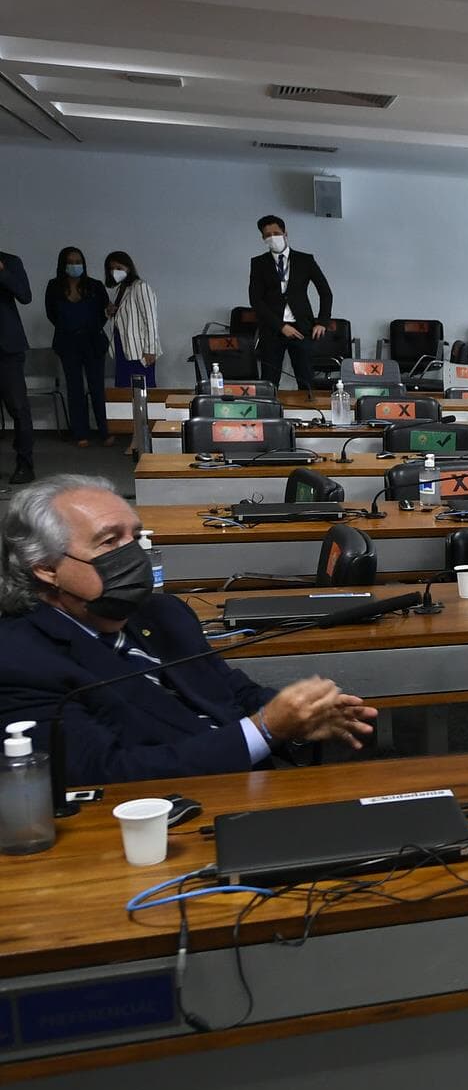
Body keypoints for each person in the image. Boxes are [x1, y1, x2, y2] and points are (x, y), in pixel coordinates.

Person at [0, 475, 376, 784]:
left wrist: (303, 716)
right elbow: (106, 773)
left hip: (255, 788)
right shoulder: (19, 661)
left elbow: (230, 691)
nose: (134, 554)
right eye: (110, 541)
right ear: (45, 567)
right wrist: (264, 729)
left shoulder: (163, 613)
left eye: (135, 536)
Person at [248, 215, 332, 393]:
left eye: (276, 233)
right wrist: (281, 326)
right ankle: (269, 409)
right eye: (268, 235)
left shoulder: (305, 260)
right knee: (269, 382)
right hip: (272, 328)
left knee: (306, 379)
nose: (273, 237)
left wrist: (322, 322)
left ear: (285, 233)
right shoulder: (258, 263)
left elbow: (325, 292)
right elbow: (256, 300)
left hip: (302, 327)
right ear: (263, 238)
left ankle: (311, 410)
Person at [44, 247, 110, 449]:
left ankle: (105, 431)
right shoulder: (54, 286)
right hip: (67, 343)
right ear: (63, 265)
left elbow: (104, 312)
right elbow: (51, 314)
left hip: (93, 342)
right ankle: (80, 432)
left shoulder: (95, 286)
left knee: (97, 388)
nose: (75, 265)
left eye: (78, 261)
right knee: (74, 388)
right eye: (71, 262)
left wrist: (90, 327)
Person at [103, 250, 160, 390]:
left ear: (128, 268)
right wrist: (108, 312)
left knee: (141, 390)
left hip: (140, 351)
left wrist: (150, 350)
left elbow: (150, 320)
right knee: (124, 390)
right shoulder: (119, 290)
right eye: (111, 269)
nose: (114, 272)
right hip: (123, 348)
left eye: (119, 268)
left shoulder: (140, 286)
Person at [0, 246, 31, 484]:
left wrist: (3, 272)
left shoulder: (10, 261)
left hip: (7, 348)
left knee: (18, 408)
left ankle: (25, 464)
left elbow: (25, 296)